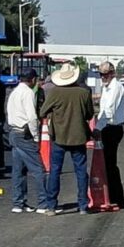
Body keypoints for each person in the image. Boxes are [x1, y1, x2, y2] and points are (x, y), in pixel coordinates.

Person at [39, 63, 94, 216]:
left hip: (59, 137)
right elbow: (89, 114)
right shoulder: (84, 93)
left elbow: (43, 111)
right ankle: (83, 205)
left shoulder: (55, 92)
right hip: (79, 137)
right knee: (81, 172)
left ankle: (51, 205)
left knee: (55, 171)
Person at [6, 68, 49, 213]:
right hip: (25, 133)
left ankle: (18, 203)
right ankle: (43, 203)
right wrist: (36, 136)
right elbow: (32, 117)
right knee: (39, 169)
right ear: (32, 79)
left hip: (13, 132)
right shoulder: (28, 93)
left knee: (19, 170)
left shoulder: (14, 92)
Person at [94, 61, 124, 208]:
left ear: (112, 73)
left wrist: (98, 128)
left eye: (105, 74)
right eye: (101, 74)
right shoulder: (107, 88)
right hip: (107, 127)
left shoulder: (116, 87)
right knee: (107, 164)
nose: (103, 77)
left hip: (112, 128)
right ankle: (111, 197)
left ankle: (117, 198)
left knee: (110, 164)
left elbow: (109, 110)